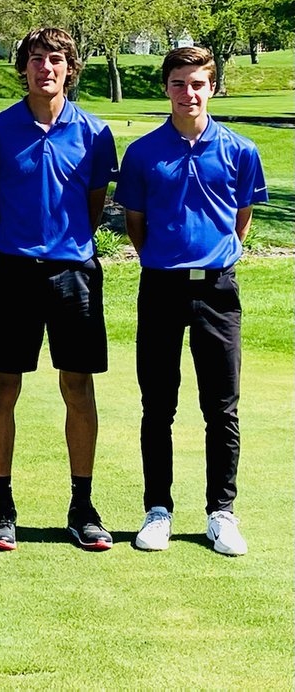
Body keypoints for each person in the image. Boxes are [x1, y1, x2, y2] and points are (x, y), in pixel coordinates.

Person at [115, 46, 266, 556]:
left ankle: (221, 512)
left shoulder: (240, 150)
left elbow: (240, 219)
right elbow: (136, 225)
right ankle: (157, 510)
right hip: (161, 286)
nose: (189, 93)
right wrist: (165, 259)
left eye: (198, 83)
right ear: (167, 88)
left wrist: (214, 256)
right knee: (158, 406)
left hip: (218, 290)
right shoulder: (141, 153)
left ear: (213, 87)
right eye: (179, 84)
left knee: (221, 407)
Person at [0, 27, 117, 552]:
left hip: (73, 272)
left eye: (55, 59)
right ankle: (1, 504)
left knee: (77, 387)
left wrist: (63, 242)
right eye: (36, 59)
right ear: (24, 68)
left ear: (69, 68)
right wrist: (17, 241)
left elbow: (95, 203)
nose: (45, 68)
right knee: (3, 384)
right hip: (14, 271)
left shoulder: (96, 133)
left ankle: (82, 505)